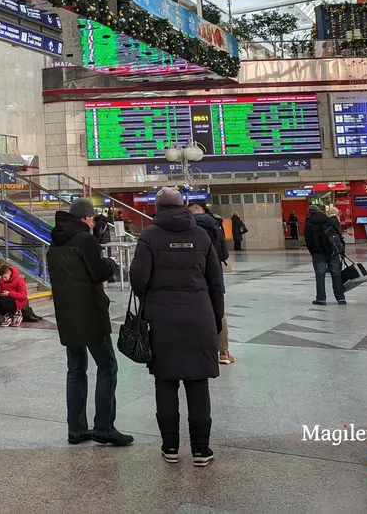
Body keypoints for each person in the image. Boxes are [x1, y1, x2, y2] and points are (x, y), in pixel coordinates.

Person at [130, 187, 224, 467]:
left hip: (162, 319)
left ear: (157, 208)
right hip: (200, 316)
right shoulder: (201, 235)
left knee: (166, 381)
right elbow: (216, 283)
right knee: (198, 382)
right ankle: (200, 450)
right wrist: (216, 318)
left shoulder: (149, 236)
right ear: (182, 206)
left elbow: (137, 280)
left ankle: (170, 446)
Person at [47, 198, 131, 447]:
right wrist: (111, 264)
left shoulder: (55, 240)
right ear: (86, 218)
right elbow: (99, 272)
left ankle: (76, 429)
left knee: (75, 369)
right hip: (90, 312)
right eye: (92, 219)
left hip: (67, 314)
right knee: (107, 366)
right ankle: (104, 427)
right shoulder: (85, 239)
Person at [189, 203, 234, 365]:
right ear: (203, 211)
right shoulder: (215, 225)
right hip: (214, 275)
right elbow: (224, 253)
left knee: (193, 311)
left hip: (193, 275)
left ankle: (198, 349)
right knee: (219, 311)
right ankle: (223, 352)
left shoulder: (186, 227)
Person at [303, 203, 346, 306]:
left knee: (320, 275)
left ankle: (321, 299)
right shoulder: (328, 219)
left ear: (309, 212)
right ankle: (341, 298)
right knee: (336, 274)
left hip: (318, 252)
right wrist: (341, 249)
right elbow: (337, 234)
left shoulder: (308, 222)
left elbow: (308, 239)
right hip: (332, 251)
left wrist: (312, 251)